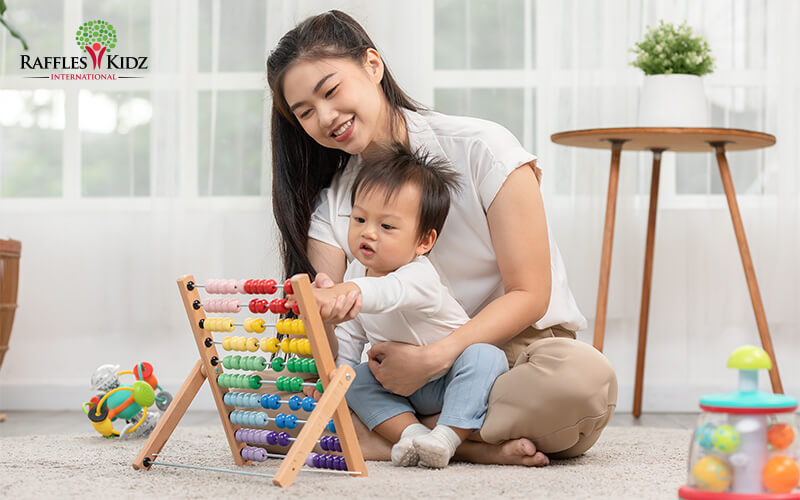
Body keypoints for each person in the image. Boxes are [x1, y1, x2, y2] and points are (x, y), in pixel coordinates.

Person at [267, 10, 617, 467]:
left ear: (373, 65)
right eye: (306, 112)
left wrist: (434, 358)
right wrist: (323, 307)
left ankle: (390, 436)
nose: (326, 117)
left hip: (510, 353)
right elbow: (329, 306)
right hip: (395, 371)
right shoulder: (332, 202)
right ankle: (463, 441)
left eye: (331, 91)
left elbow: (531, 293)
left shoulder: (483, 148)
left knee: (581, 382)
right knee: (277, 406)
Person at [311, 144, 509, 468]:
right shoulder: (356, 275)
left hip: (450, 376)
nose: (368, 233)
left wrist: (341, 293)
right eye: (359, 218)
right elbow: (348, 340)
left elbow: (388, 291)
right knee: (353, 378)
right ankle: (412, 434)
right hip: (400, 386)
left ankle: (447, 436)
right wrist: (335, 383)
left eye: (387, 226)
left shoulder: (419, 275)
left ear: (423, 241)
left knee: (486, 356)